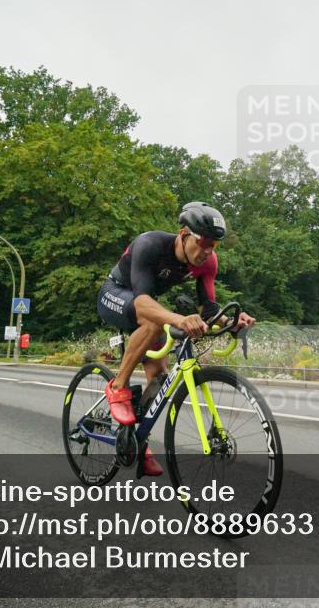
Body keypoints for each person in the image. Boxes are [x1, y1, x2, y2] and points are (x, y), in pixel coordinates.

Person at [97, 202, 255, 476]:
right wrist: (179, 319)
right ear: (184, 234)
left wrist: (231, 323)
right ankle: (118, 386)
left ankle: (137, 442)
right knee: (155, 322)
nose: (207, 251)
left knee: (159, 381)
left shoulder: (208, 263)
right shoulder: (150, 244)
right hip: (115, 293)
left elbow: (209, 310)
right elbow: (142, 301)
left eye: (214, 245)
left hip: (147, 306)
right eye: (203, 243)